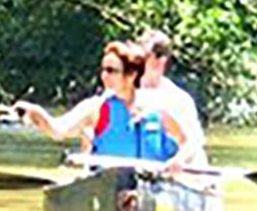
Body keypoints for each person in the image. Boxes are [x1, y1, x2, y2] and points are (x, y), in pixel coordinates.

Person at [15, 41, 196, 167]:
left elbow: (188, 143)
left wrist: (178, 161)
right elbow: (59, 130)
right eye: (103, 70)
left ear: (131, 75)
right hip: (112, 190)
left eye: (111, 71)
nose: (104, 76)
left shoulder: (157, 108)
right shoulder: (96, 108)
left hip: (153, 189)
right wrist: (37, 114)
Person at [136, 30, 208, 166]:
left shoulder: (178, 100)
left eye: (144, 58)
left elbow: (193, 144)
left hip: (173, 176)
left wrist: (179, 161)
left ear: (161, 61)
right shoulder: (125, 93)